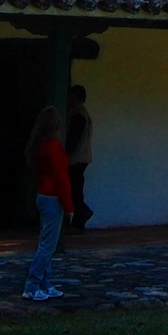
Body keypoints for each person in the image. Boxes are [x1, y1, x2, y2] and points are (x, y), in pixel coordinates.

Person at [23, 104, 72, 301]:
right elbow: (61, 177)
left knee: (46, 241)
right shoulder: (53, 147)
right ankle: (32, 284)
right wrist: (69, 206)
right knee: (47, 245)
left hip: (43, 195)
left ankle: (45, 282)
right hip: (52, 197)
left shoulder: (40, 145)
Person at [65, 85, 94, 234]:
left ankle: (80, 215)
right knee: (75, 187)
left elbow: (73, 138)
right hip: (82, 156)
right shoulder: (82, 113)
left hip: (76, 157)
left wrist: (65, 152)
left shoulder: (78, 114)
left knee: (74, 189)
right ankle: (79, 217)